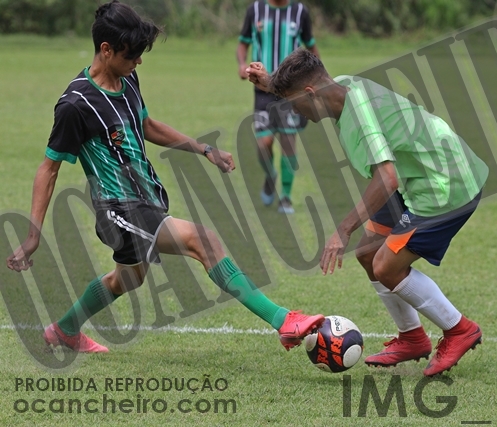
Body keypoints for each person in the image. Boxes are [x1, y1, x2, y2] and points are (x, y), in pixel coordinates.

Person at [5, 1, 324, 354]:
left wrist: (204, 149)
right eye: (131, 55)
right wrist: (33, 235)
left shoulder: (127, 79)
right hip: (118, 209)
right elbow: (48, 168)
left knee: (127, 278)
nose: (138, 61)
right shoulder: (75, 105)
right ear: (106, 50)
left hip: (145, 197)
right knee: (203, 240)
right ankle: (284, 320)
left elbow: (147, 125)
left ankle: (65, 330)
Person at [246, 49, 489, 376]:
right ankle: (412, 338)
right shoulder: (342, 86)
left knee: (386, 266)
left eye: (293, 103)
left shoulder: (360, 119)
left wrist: (343, 229)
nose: (294, 112)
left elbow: (386, 179)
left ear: (310, 93)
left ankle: (459, 329)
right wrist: (270, 83)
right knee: (369, 252)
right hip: (416, 175)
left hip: (445, 184)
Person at [236, 0, 320, 214]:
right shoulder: (255, 10)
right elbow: (243, 42)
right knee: (264, 143)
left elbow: (311, 46)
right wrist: (242, 64)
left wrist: (317, 77)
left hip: (291, 89)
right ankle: (270, 175)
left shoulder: (300, 12)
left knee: (288, 141)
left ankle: (286, 197)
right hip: (262, 89)